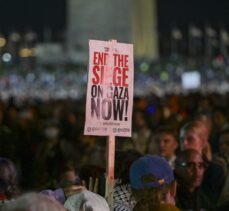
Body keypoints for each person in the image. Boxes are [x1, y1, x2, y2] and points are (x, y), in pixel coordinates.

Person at [179, 120, 225, 203]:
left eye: (190, 139)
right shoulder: (176, 167)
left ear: (203, 142)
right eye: (182, 139)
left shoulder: (214, 170)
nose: (184, 143)